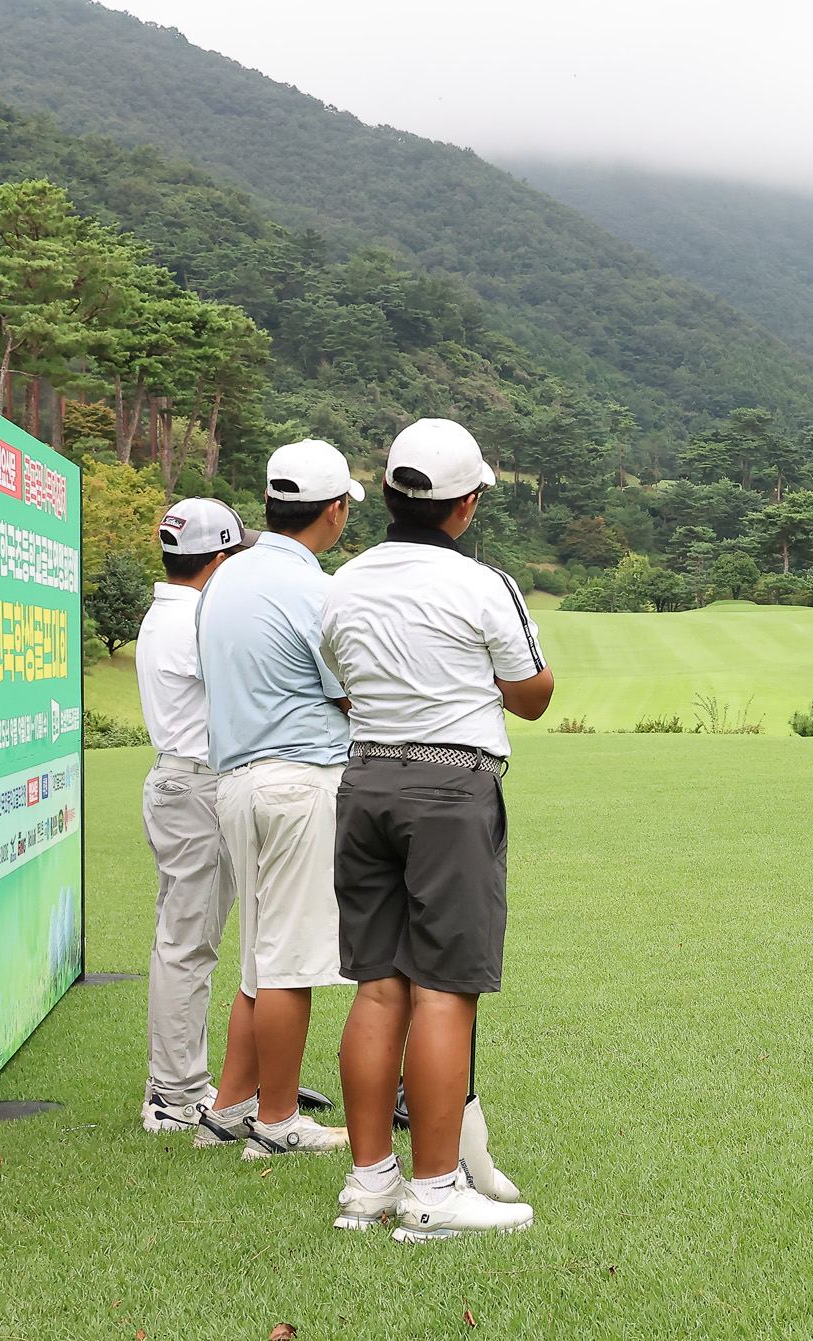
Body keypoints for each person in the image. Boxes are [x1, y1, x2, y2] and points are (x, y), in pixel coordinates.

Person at [319, 417, 551, 1240]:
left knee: (379, 984)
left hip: (366, 779)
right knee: (445, 989)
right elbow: (532, 693)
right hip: (450, 788)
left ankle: (370, 1182)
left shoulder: (341, 583)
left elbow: (340, 687)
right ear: (469, 503)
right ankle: (434, 1190)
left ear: (384, 494)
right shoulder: (486, 586)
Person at [194, 440, 364, 1157]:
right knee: (290, 960)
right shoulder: (314, 588)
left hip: (234, 782)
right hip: (298, 782)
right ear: (334, 510)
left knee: (259, 960)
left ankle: (230, 1106)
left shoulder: (224, 579)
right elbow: (348, 688)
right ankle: (277, 1120)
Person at [135, 499, 255, 1133]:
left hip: (179, 783)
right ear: (219, 557)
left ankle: (182, 1086)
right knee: (188, 943)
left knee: (183, 939)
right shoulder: (196, 623)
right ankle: (178, 1097)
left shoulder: (168, 613)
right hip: (197, 788)